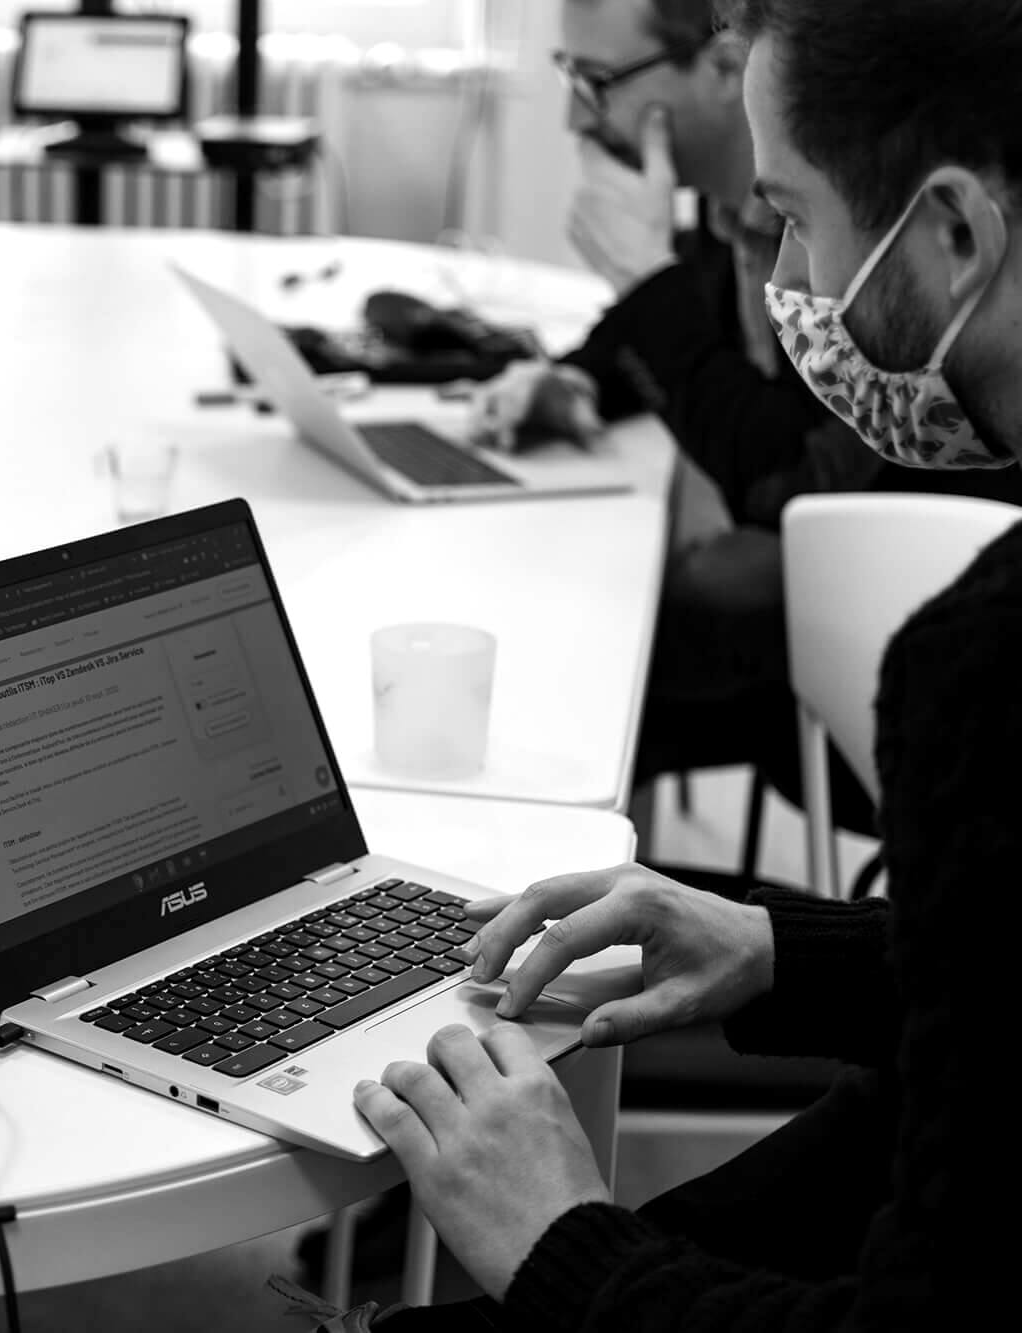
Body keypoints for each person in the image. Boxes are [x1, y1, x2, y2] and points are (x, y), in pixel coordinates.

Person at [318, 0, 1022, 1327]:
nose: (793, 285)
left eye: (795, 223)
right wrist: (778, 948)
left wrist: (562, 1241)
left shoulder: (986, 672)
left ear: (955, 231)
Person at [469, 0, 1020, 832]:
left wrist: (645, 287)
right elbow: (692, 309)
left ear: (959, 237)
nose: (789, 281)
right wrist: (583, 376)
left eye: (597, 80)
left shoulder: (968, 674)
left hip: (875, 632)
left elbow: (785, 477)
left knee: (597, 647)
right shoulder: (742, 216)